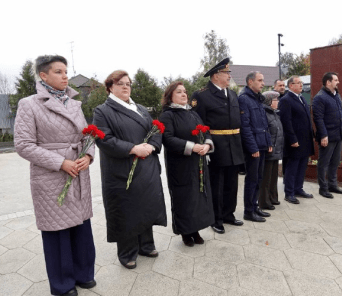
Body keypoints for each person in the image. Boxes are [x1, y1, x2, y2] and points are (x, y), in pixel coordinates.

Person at [14, 55, 96, 296]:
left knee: (81, 226)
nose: (65, 76)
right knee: (57, 229)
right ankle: (62, 283)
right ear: (43, 75)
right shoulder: (29, 104)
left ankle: (83, 273)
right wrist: (60, 162)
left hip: (78, 171)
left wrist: (88, 156)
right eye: (58, 72)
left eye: (65, 71)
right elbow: (23, 145)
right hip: (51, 176)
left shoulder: (74, 103)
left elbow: (86, 136)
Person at [93, 70, 167, 269]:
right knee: (126, 210)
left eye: (128, 83)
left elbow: (156, 129)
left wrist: (152, 146)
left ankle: (146, 244)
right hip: (122, 167)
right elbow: (104, 138)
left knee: (146, 205)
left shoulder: (141, 108)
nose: (126, 87)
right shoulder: (103, 111)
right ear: (110, 87)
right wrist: (132, 148)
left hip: (147, 165)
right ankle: (127, 252)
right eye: (120, 84)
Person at [191, 58, 244, 234]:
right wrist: (204, 144)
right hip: (216, 146)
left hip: (234, 144)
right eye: (226, 73)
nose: (229, 76)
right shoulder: (201, 95)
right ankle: (216, 218)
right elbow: (198, 123)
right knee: (217, 184)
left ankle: (229, 214)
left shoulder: (233, 94)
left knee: (232, 183)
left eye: (229, 73)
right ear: (215, 76)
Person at [159, 81, 215, 246]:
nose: (184, 94)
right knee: (184, 199)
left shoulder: (193, 113)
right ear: (170, 96)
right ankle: (185, 232)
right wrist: (193, 147)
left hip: (197, 162)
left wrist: (207, 145)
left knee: (197, 197)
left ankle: (195, 230)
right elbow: (167, 139)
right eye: (179, 92)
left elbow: (205, 130)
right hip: (180, 165)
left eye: (185, 92)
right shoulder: (167, 115)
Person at [238, 72, 272, 222]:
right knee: (252, 179)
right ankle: (248, 211)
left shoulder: (258, 98)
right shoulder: (244, 99)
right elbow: (245, 127)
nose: (263, 83)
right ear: (250, 82)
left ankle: (255, 206)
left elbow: (264, 123)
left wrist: (268, 142)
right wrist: (253, 148)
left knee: (258, 178)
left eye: (263, 80)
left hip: (262, 145)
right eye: (260, 80)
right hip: (254, 147)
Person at [279, 75, 315, 204]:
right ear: (291, 86)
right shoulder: (286, 100)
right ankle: (289, 193)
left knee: (302, 166)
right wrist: (292, 139)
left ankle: (298, 189)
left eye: (301, 83)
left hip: (305, 139)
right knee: (292, 167)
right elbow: (286, 122)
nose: (301, 85)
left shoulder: (302, 98)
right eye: (298, 83)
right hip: (294, 141)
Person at [313, 72, 342, 198]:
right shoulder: (320, 97)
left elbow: (341, 115)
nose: (338, 82)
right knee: (323, 163)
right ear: (328, 82)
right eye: (336, 80)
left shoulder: (336, 95)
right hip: (327, 136)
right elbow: (318, 118)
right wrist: (323, 135)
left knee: (334, 162)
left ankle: (332, 185)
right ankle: (323, 188)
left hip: (338, 135)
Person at [259, 91, 283, 210]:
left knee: (273, 176)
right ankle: (264, 201)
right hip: (269, 149)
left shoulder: (274, 113)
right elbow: (266, 130)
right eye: (275, 100)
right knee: (266, 177)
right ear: (269, 102)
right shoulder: (264, 113)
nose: (277, 102)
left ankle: (273, 197)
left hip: (276, 149)